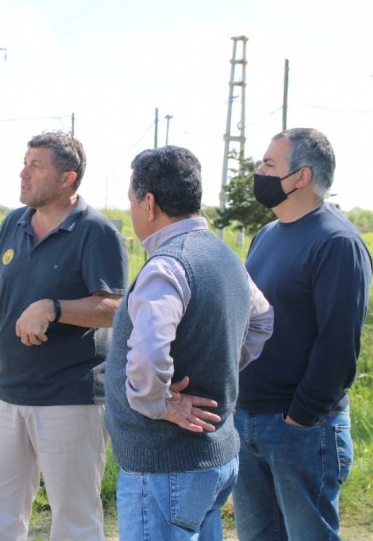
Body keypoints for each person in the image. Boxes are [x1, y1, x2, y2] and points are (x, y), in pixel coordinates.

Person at [0, 130, 129, 541]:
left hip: (69, 397)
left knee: (74, 514)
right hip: (6, 389)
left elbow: (115, 310)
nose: (23, 173)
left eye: (36, 166)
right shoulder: (12, 223)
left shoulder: (97, 232)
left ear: (68, 178)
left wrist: (54, 308)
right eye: (24, 162)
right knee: (1, 503)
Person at [104, 146, 274, 541]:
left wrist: (161, 403)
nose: (131, 211)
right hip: (213, 458)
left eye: (131, 200)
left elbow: (147, 358)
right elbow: (263, 320)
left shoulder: (167, 265)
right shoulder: (224, 255)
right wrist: (222, 363)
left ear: (149, 203)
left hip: (166, 466)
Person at [234, 128, 373, 540]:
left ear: (301, 177)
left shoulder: (337, 243)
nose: (258, 171)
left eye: (268, 164)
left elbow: (339, 342)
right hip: (248, 420)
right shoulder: (266, 236)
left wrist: (301, 415)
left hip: (300, 429)